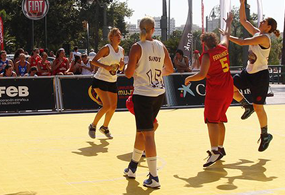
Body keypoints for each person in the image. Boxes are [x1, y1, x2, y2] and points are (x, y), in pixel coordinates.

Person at [222, 0, 279, 152]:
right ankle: (246, 105)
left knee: (259, 106)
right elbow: (243, 20)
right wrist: (242, 3)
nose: (261, 22)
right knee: (229, 85)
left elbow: (241, 42)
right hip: (249, 72)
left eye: (264, 21)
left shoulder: (264, 38)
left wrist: (227, 36)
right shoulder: (257, 33)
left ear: (268, 27)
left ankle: (265, 134)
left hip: (260, 76)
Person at [122, 17, 173, 188]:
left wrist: (129, 69)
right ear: (153, 29)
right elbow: (170, 69)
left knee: (148, 134)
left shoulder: (137, 47)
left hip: (143, 94)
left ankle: (154, 177)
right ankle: (132, 167)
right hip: (158, 93)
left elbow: (128, 74)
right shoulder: (161, 46)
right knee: (142, 131)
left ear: (140, 29)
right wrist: (156, 74)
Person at [184, 31, 234, 167]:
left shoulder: (207, 55)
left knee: (211, 121)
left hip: (216, 91)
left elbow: (202, 74)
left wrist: (189, 78)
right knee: (220, 120)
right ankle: (220, 147)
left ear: (204, 43)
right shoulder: (223, 48)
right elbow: (226, 38)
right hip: (228, 89)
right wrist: (228, 24)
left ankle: (214, 151)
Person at [88, 28, 125, 139]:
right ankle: (93, 125)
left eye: (120, 34)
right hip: (100, 79)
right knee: (107, 105)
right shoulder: (106, 48)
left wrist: (122, 65)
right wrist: (105, 67)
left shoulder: (121, 50)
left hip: (112, 80)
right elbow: (93, 61)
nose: (119, 37)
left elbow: (120, 67)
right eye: (117, 35)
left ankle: (105, 127)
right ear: (111, 37)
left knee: (113, 107)